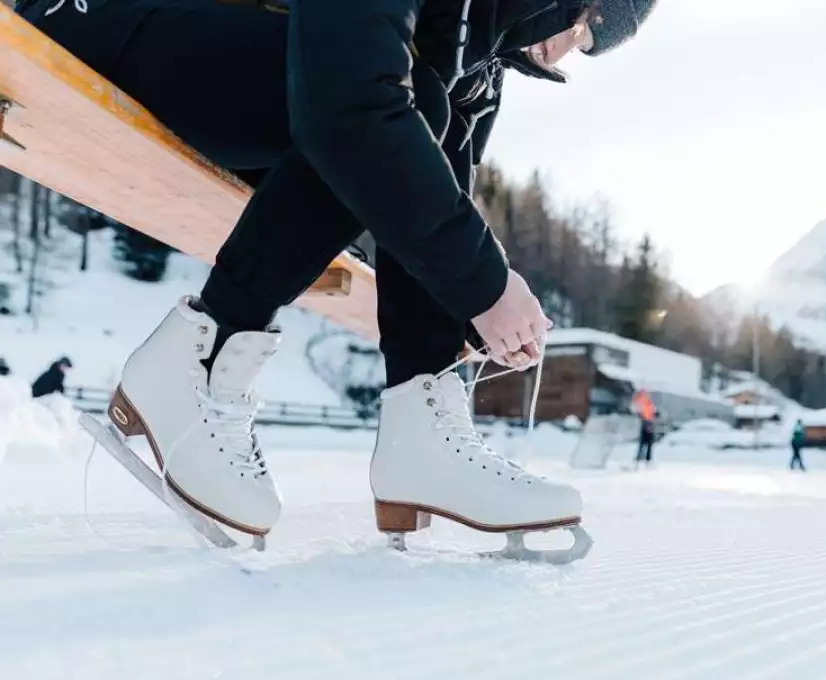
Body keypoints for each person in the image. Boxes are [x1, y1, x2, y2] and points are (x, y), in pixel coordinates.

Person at [17, 0, 661, 540]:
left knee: (423, 122)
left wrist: (450, 328)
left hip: (238, 78)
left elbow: (438, 184)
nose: (563, 52)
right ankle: (202, 355)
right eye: (584, 25)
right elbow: (351, 103)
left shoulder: (482, 53)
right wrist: (485, 282)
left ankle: (423, 432)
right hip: (107, 17)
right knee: (392, 104)